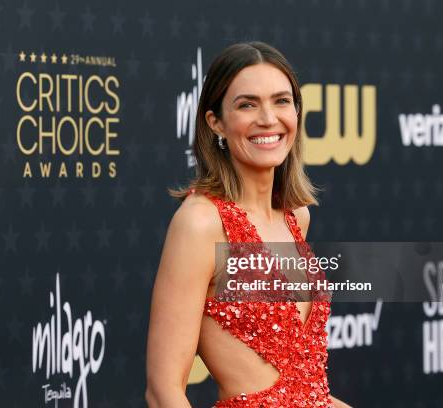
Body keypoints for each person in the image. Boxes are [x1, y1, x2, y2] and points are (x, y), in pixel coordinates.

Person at [145, 42, 351, 407]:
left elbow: (305, 388)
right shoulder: (200, 224)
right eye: (247, 104)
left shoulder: (297, 217)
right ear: (216, 123)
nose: (268, 118)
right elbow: (164, 391)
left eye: (281, 101)